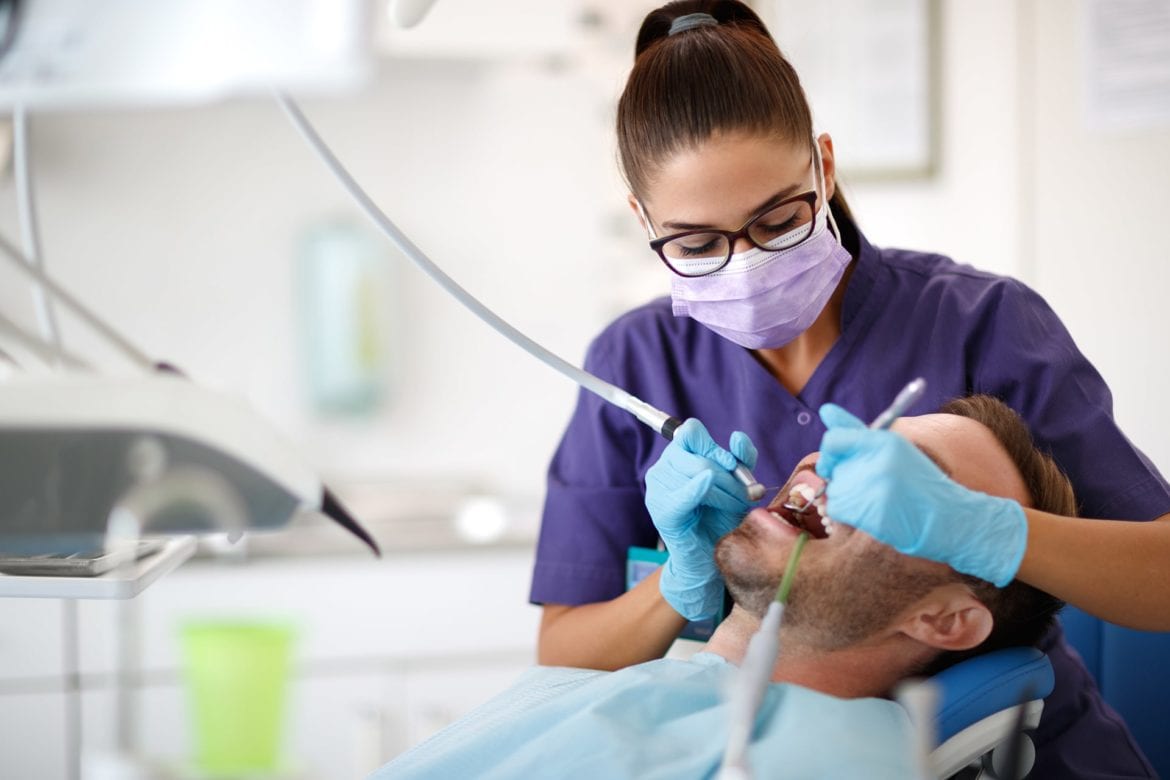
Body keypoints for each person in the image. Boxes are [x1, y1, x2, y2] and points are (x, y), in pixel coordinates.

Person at [531, 2, 1170, 776]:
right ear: (643, 219)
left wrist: (989, 531)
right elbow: (564, 655)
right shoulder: (634, 362)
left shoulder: (979, 322)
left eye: (778, 221)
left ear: (824, 167)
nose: (747, 264)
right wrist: (680, 581)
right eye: (697, 244)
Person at [380, 397, 1070, 778]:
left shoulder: (830, 759)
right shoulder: (603, 688)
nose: (830, 459)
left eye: (905, 476)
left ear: (944, 620)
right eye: (861, 439)